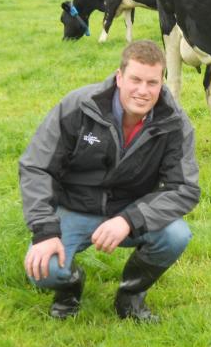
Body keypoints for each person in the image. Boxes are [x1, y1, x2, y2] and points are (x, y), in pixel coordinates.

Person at [20, 40, 200, 321]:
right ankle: (70, 286)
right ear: (119, 77)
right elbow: (36, 167)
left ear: (162, 82)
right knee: (43, 269)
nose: (143, 91)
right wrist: (44, 231)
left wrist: (129, 219)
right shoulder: (79, 106)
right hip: (74, 207)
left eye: (152, 82)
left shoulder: (174, 124)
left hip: (130, 212)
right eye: (135, 80)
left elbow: (185, 189)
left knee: (176, 235)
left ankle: (130, 296)